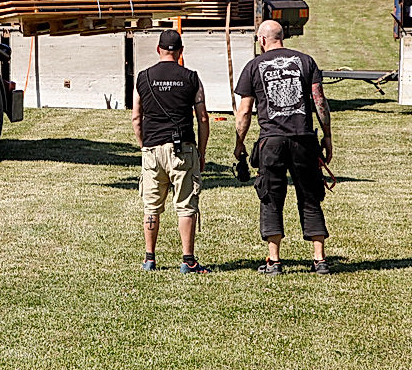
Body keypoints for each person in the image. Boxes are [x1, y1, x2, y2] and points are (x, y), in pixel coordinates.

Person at [234, 19, 333, 275]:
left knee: (270, 196)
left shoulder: (254, 66)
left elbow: (244, 111)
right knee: (310, 195)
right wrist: (327, 136)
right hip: (303, 139)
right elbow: (319, 100)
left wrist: (239, 143)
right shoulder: (305, 61)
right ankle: (319, 259)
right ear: (282, 37)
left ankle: (274, 261)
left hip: (272, 141)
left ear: (263, 39)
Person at [131, 29, 211, 274]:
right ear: (181, 52)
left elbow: (136, 118)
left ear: (158, 50)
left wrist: (145, 145)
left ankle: (149, 258)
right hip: (183, 149)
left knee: (151, 205)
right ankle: (188, 260)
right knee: (186, 205)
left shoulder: (143, 78)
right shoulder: (191, 78)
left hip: (153, 150)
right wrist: (202, 152)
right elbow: (203, 118)